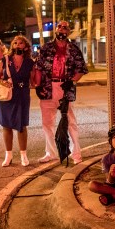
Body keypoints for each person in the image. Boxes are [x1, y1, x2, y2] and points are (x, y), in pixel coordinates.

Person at [34, 20, 89, 165]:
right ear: (56, 30)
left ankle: (76, 153)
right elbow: (38, 67)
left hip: (65, 86)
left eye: (65, 28)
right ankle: (51, 153)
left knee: (70, 122)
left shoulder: (74, 49)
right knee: (47, 122)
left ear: (68, 31)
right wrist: (38, 85)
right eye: (59, 27)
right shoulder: (46, 48)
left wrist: (72, 81)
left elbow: (81, 69)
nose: (62, 30)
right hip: (47, 86)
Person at [0, 35, 36, 167]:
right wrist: (4, 83)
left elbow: (33, 82)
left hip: (22, 94)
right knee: (7, 125)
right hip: (8, 95)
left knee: (22, 125)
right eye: (15, 43)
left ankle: (23, 155)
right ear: (12, 46)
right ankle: (8, 155)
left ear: (26, 46)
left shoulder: (30, 62)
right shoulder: (6, 59)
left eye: (21, 43)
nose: (17, 45)